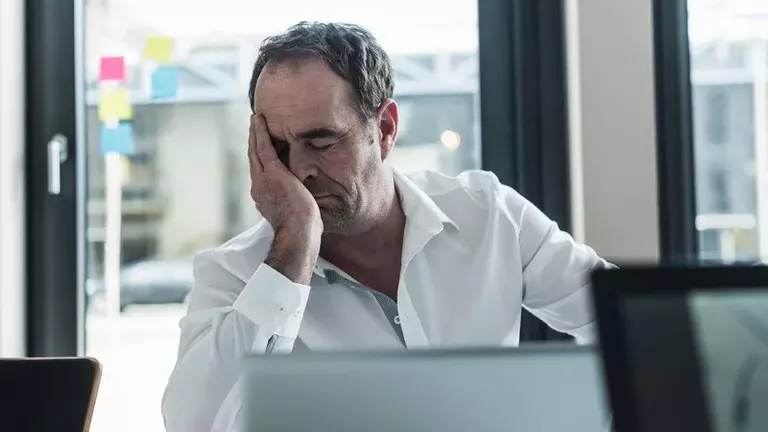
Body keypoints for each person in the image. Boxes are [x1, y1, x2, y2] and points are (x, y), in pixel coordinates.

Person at [162, 21, 612, 432]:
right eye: (277, 147)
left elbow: (631, 325)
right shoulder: (234, 273)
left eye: (321, 141)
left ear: (386, 128)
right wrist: (293, 247)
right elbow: (192, 423)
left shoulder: (488, 216)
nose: (300, 171)